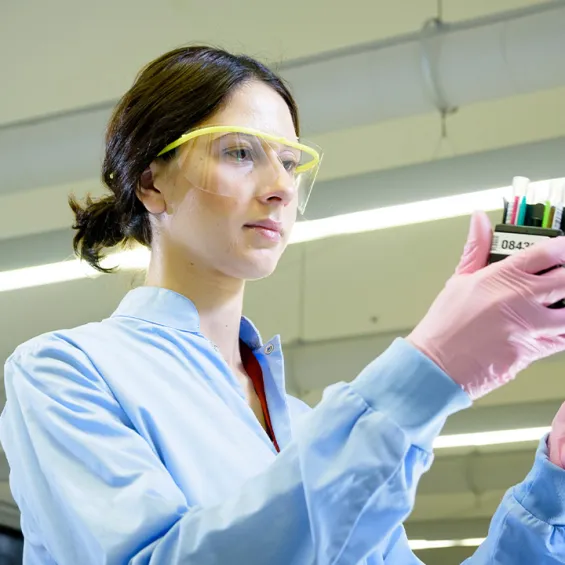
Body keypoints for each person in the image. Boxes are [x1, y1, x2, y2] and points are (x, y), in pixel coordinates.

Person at [1, 45, 565, 565]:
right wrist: (427, 372)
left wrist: (555, 487)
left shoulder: (307, 426)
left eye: (290, 163)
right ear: (151, 184)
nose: (280, 187)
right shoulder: (66, 372)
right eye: (240, 152)